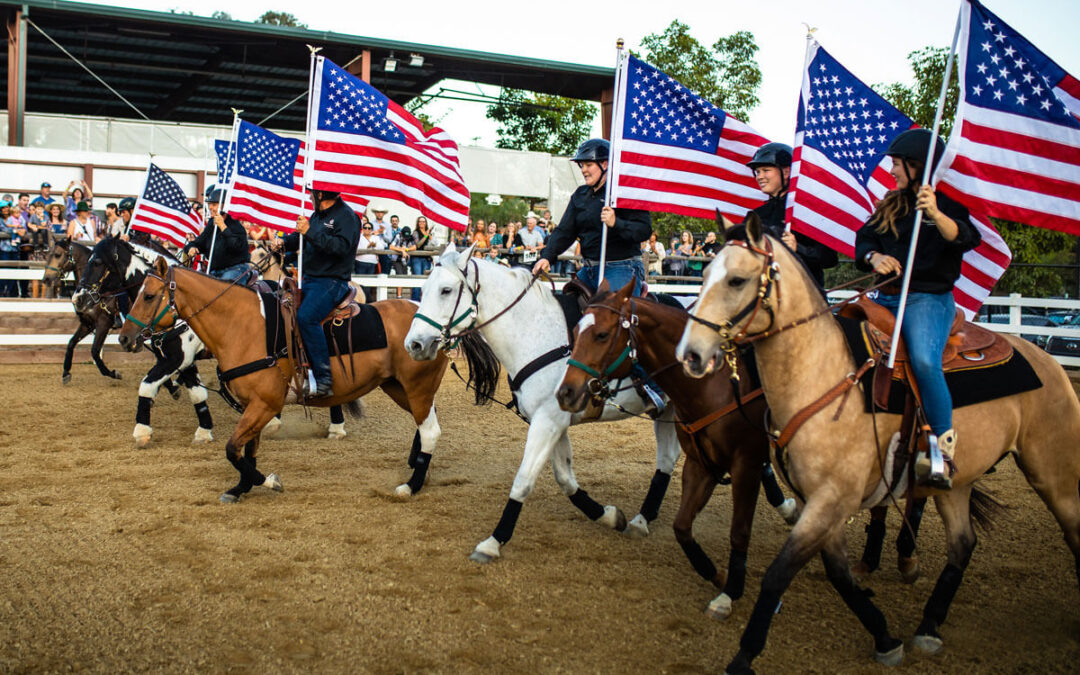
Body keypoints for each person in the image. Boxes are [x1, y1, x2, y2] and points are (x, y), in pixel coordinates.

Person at [854, 129, 980, 490]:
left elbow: (968, 238)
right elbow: (864, 239)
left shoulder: (948, 205)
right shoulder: (889, 203)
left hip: (928, 299)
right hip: (883, 296)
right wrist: (874, 256)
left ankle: (941, 451)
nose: (891, 170)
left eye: (897, 163)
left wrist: (936, 214)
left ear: (916, 166)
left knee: (925, 360)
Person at [532, 138, 663, 415]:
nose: (584, 170)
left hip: (623, 266)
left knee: (617, 317)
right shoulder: (580, 196)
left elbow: (642, 231)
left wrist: (616, 223)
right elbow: (564, 232)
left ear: (605, 165)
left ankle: (649, 382)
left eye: (588, 164)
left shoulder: (626, 193)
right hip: (589, 269)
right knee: (565, 310)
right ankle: (573, 372)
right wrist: (547, 255)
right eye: (582, 165)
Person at [271, 189, 361, 398]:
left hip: (332, 281)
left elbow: (341, 248)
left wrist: (309, 231)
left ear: (320, 195)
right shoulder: (317, 215)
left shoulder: (347, 217)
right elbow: (300, 238)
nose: (309, 196)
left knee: (307, 317)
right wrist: (284, 242)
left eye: (312, 194)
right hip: (310, 279)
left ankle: (324, 378)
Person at [746, 142, 837, 290]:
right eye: (757, 172)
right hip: (763, 296)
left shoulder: (808, 211)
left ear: (787, 172)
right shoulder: (755, 215)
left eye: (766, 170)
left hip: (805, 296)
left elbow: (829, 258)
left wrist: (798, 248)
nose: (760, 176)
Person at [184, 188, 253, 284]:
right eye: (209, 204)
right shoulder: (211, 224)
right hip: (214, 270)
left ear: (224, 206)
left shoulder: (236, 225)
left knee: (223, 288)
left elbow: (236, 247)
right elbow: (200, 242)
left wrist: (223, 226)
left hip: (236, 269)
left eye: (214, 204)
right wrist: (191, 247)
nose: (210, 207)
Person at [354, 219, 379, 302]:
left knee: (368, 284)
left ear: (371, 230)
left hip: (372, 263)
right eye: (365, 228)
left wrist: (374, 246)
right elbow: (355, 249)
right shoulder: (359, 237)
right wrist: (367, 248)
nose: (367, 230)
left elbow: (381, 248)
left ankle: (366, 301)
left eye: (369, 228)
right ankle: (363, 300)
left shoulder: (376, 238)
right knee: (361, 283)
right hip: (360, 262)